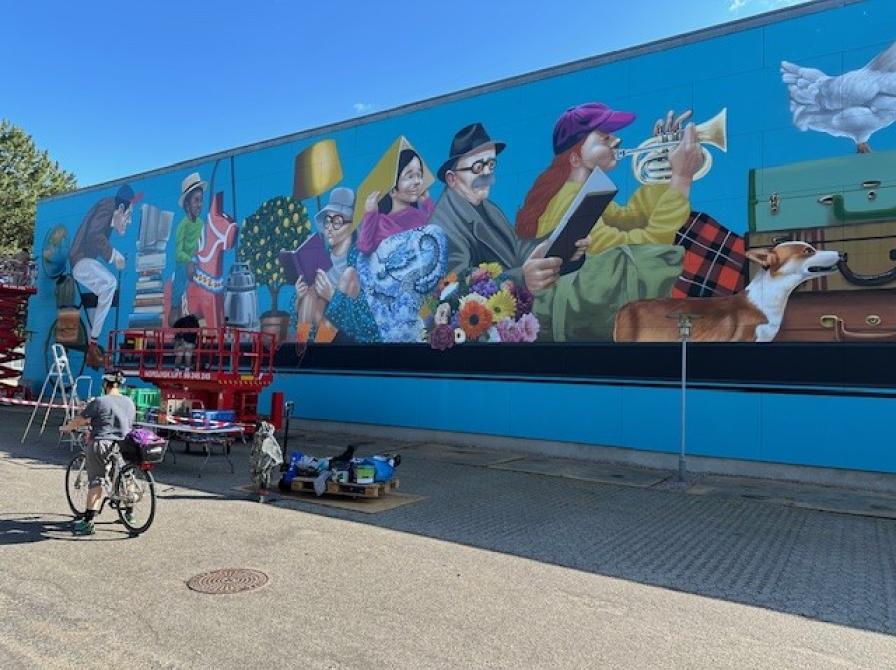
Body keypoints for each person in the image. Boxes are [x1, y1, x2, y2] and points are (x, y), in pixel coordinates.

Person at [515, 103, 701, 254]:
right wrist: (681, 179)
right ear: (575, 158)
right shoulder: (572, 203)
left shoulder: (580, 192)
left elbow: (629, 219)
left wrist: (665, 168)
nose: (617, 140)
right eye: (605, 138)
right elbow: (640, 252)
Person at [427, 122, 590, 294]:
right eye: (477, 167)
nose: (487, 173)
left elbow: (517, 248)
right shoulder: (442, 227)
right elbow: (454, 289)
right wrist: (522, 279)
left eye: (491, 164)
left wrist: (560, 245)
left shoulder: (487, 208)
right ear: (452, 179)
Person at [294, 187, 380, 342]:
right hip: (319, 333)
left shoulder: (360, 258)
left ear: (352, 224)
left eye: (337, 222)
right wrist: (299, 297)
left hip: (350, 336)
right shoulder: (321, 257)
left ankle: (316, 349)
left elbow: (367, 316)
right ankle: (301, 349)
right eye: (328, 221)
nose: (329, 228)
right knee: (310, 294)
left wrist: (332, 295)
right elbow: (302, 311)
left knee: (348, 275)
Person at [69, 184, 141, 368]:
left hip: (85, 260)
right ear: (121, 208)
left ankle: (92, 346)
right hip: (81, 260)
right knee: (109, 284)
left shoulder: (109, 210)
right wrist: (114, 255)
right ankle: (92, 346)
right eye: (129, 215)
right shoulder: (108, 206)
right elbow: (94, 235)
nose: (129, 221)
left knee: (105, 290)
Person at [61, 370, 137, 536]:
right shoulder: (129, 402)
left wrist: (68, 427)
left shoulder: (99, 401)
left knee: (96, 480)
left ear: (105, 384)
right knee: (126, 476)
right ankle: (129, 513)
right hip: (124, 444)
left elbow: (80, 420)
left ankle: (88, 521)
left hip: (102, 443)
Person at [357, 146, 435, 255]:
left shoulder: (421, 216)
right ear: (392, 189)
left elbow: (439, 235)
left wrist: (427, 203)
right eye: (410, 176)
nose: (417, 181)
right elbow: (364, 247)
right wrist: (370, 214)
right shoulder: (381, 223)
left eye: (419, 175)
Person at [171, 172, 207, 323]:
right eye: (196, 200)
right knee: (178, 291)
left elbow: (202, 245)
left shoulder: (201, 224)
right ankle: (175, 313)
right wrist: (189, 260)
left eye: (201, 200)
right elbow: (178, 252)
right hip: (183, 265)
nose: (200, 204)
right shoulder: (182, 226)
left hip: (197, 262)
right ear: (187, 204)